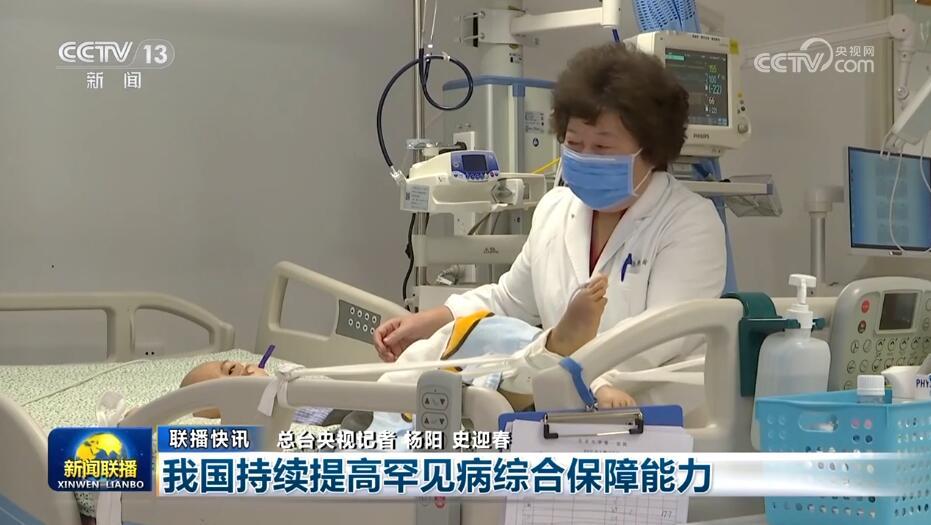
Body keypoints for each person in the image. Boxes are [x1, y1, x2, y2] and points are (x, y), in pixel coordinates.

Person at [375, 42, 727, 409]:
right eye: (574, 144)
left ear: (651, 150)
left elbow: (661, 336)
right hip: (559, 403)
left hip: (652, 408)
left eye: (602, 148)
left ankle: (559, 352)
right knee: (463, 360)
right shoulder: (555, 210)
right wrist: (433, 321)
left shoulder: (689, 222)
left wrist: (580, 369)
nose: (585, 157)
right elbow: (509, 301)